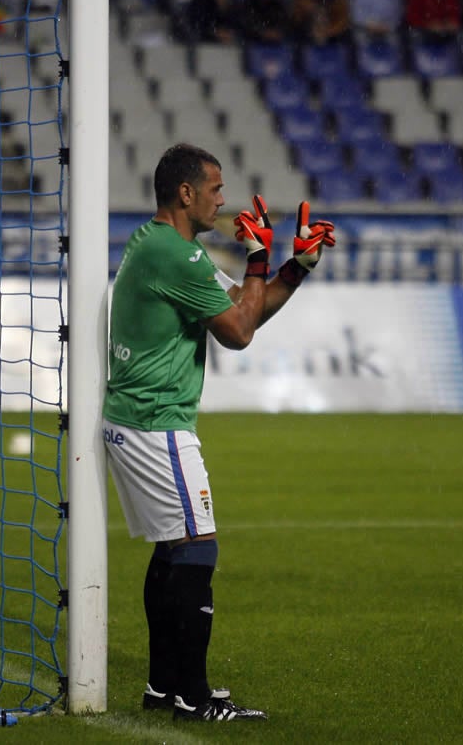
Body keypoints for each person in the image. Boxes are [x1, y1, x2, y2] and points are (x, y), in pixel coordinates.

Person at [102, 143, 337, 722]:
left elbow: (243, 308)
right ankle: (194, 696)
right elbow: (238, 333)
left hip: (138, 421)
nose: (223, 199)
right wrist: (257, 256)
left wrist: (292, 268)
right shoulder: (173, 256)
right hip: (156, 422)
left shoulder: (173, 249)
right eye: (214, 187)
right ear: (186, 193)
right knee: (197, 548)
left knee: (173, 550)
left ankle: (163, 688)